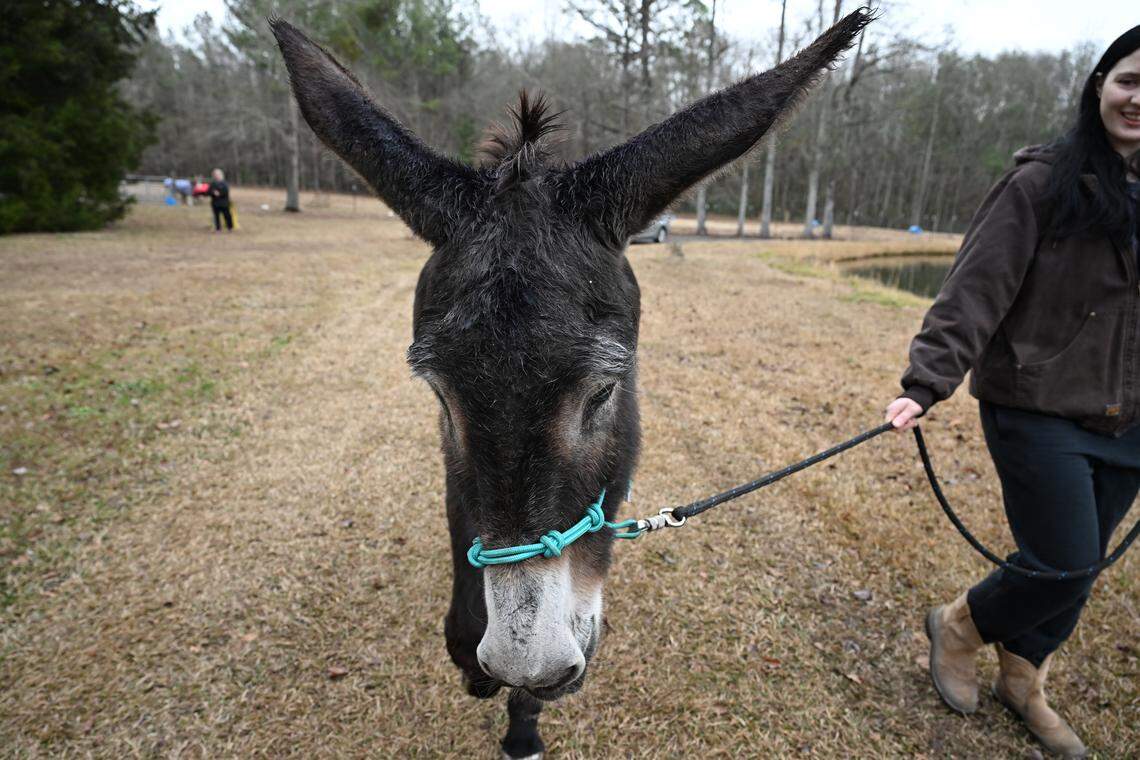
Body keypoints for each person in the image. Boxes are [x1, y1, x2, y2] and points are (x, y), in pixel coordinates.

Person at [885, 27, 1139, 758]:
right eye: (1130, 79)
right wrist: (926, 382)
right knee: (1067, 556)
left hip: (1130, 418)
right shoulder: (1041, 181)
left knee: (1084, 567)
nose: (1138, 99)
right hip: (1038, 402)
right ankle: (961, 625)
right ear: (1100, 83)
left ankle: (1023, 679)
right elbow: (976, 288)